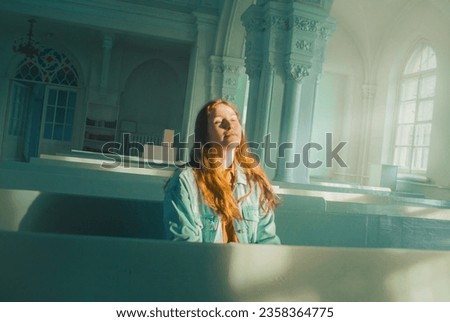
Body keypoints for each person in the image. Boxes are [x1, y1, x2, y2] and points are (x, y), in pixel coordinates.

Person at [163, 99, 281, 244]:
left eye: (234, 119)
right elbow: (186, 245)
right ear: (205, 134)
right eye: (219, 122)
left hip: (248, 265)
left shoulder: (254, 182)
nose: (229, 125)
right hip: (207, 264)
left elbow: (268, 242)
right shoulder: (185, 181)